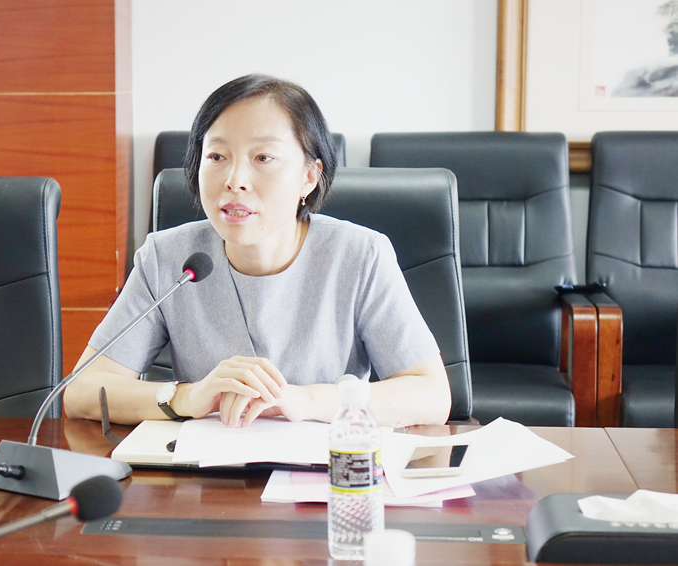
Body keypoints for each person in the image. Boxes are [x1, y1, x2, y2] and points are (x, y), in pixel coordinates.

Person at [63, 74, 451, 429]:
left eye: (263, 158)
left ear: (309, 176)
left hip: (323, 473)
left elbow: (432, 395)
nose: (235, 180)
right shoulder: (167, 258)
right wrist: (188, 396)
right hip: (202, 474)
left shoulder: (360, 256)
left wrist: (305, 400)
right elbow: (81, 391)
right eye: (216, 157)